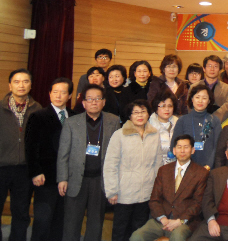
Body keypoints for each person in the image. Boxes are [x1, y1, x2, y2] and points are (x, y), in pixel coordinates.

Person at [57, 84, 120, 240]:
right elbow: (63, 153)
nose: (94, 102)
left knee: (96, 223)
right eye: (90, 99)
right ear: (83, 103)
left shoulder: (113, 121)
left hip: (100, 180)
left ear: (103, 102)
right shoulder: (71, 122)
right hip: (76, 179)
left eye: (98, 99)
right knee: (71, 222)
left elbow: (118, 154)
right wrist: (62, 178)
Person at [130, 134, 209, 241]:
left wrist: (180, 221)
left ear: (192, 150)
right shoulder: (163, 170)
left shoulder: (201, 173)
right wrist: (162, 218)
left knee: (178, 236)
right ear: (174, 150)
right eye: (179, 147)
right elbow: (154, 199)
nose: (182, 151)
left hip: (185, 222)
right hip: (161, 220)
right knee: (137, 236)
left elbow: (198, 203)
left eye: (186, 147)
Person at [104, 99, 163, 241]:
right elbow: (110, 165)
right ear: (129, 116)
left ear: (148, 114)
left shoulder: (155, 135)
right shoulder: (119, 135)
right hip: (124, 193)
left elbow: (158, 164)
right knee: (120, 231)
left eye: (143, 111)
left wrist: (157, 190)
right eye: (135, 112)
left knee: (139, 231)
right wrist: (112, 190)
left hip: (146, 192)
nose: (140, 115)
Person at [25, 77, 74, 241]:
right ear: (49, 94)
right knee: (43, 220)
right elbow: (31, 146)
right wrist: (35, 172)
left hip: (68, 177)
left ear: (69, 96)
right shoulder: (38, 116)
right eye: (55, 92)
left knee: (60, 220)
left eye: (63, 92)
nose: (58, 96)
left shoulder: (75, 117)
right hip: (46, 177)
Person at [0, 69, 40, 241]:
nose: (21, 85)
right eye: (16, 82)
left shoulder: (38, 110)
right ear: (10, 85)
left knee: (21, 212)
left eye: (25, 81)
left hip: (25, 169)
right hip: (1, 167)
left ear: (31, 85)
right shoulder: (1, 107)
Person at [172, 84, 221, 171]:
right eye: (197, 97)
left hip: (208, 169)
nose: (200, 101)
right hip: (186, 168)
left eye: (204, 98)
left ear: (209, 101)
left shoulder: (215, 120)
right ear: (192, 99)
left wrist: (208, 166)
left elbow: (218, 146)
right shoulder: (182, 120)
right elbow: (174, 145)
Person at [189, 55, 228, 122]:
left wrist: (210, 120)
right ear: (204, 69)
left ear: (220, 70)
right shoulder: (194, 87)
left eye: (215, 66)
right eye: (209, 66)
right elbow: (190, 106)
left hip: (218, 124)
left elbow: (226, 109)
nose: (212, 69)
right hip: (196, 122)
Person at [148, 88, 179, 165]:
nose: (167, 109)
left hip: (176, 164)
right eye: (163, 106)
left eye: (170, 106)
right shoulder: (149, 126)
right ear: (156, 108)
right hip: (155, 165)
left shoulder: (179, 123)